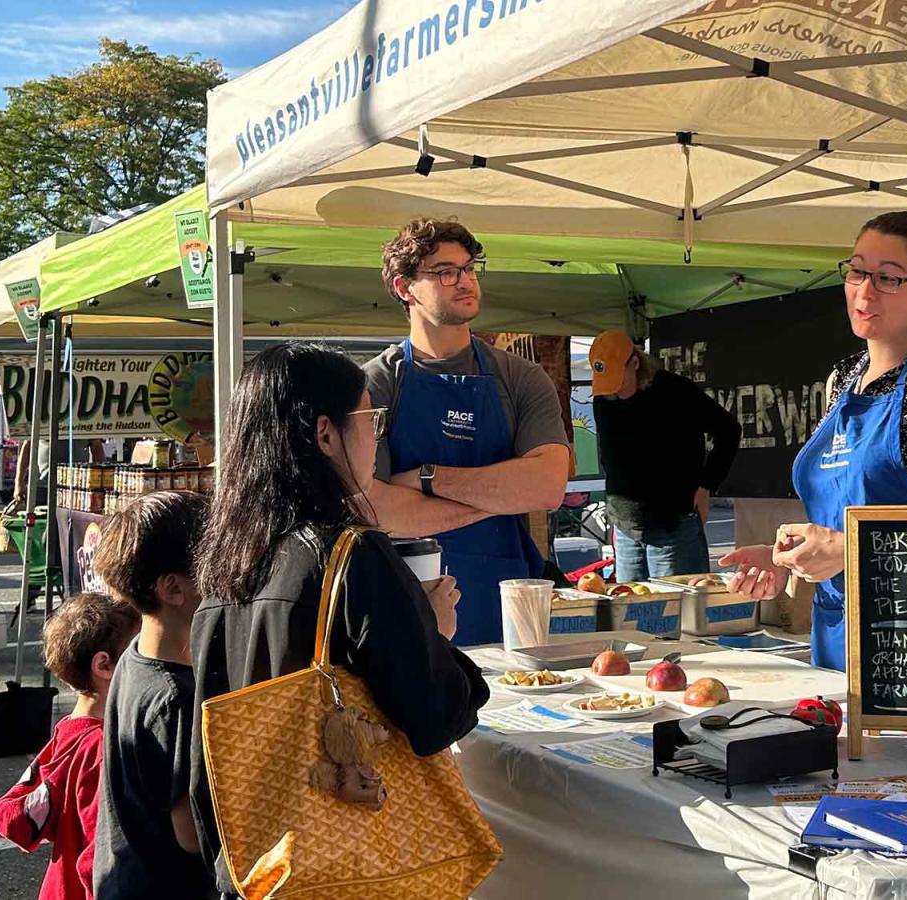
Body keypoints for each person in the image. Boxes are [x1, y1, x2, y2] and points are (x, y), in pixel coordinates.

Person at [190, 343, 489, 896]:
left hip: (257, 866)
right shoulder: (351, 554)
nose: (377, 437)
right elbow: (434, 715)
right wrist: (437, 634)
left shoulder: (226, 561)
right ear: (326, 433)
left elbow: (205, 746)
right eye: (369, 418)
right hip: (348, 862)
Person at [718, 211, 907, 671]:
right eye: (858, 271)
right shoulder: (842, 379)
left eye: (888, 278)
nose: (864, 291)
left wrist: (850, 549)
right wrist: (788, 558)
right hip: (837, 637)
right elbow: (839, 512)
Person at [362, 217, 570, 645]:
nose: (465, 282)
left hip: (508, 604)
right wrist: (501, 495)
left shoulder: (522, 379)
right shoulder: (374, 386)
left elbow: (548, 487)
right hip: (407, 610)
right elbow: (378, 510)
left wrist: (427, 478)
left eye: (470, 268)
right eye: (445, 272)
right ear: (404, 288)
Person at [91, 490, 214, 900]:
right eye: (214, 560)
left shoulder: (134, 657)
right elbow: (193, 835)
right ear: (173, 589)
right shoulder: (176, 698)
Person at [0, 591, 140, 900]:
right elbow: (101, 857)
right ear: (104, 666)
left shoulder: (68, 731)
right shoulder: (100, 748)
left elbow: (15, 815)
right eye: (138, 652)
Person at [588, 329, 740, 580]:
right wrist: (617, 515)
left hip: (673, 524)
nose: (614, 391)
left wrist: (706, 485)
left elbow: (729, 430)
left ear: (635, 363)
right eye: (607, 384)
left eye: (619, 381)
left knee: (678, 614)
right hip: (626, 528)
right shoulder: (604, 400)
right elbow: (610, 457)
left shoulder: (675, 391)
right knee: (631, 614)